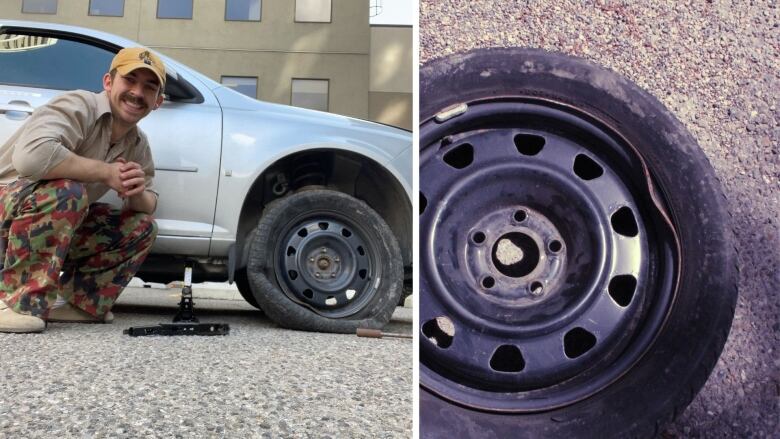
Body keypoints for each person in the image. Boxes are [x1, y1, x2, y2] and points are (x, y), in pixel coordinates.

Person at [0, 47, 166, 333]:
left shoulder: (138, 143)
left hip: (50, 221)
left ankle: (80, 304)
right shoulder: (79, 105)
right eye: (130, 80)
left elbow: (148, 204)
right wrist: (106, 172)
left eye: (149, 87)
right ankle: (14, 302)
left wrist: (136, 192)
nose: (138, 92)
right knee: (69, 193)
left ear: (158, 102)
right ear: (108, 82)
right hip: (8, 209)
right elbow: (31, 157)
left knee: (142, 226)